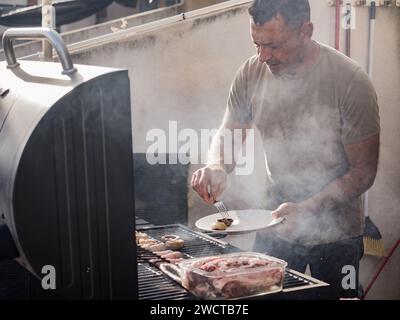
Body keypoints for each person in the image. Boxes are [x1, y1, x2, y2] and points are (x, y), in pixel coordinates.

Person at [191, 0, 380, 299]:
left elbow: (364, 172)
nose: (264, 56)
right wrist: (216, 166)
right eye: (257, 44)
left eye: (274, 46)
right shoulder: (251, 72)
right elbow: (227, 134)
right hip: (273, 223)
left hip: (337, 236)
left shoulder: (349, 81)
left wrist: (309, 208)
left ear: (306, 31)